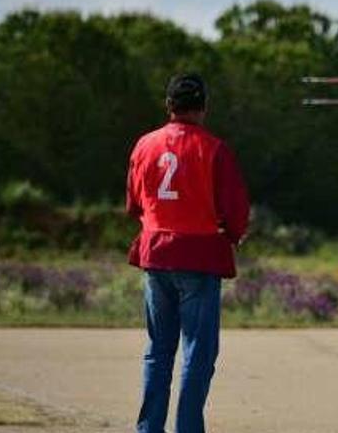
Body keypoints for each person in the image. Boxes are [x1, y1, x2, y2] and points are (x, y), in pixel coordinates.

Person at [126, 73, 250, 433]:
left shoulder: (144, 145)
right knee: (198, 353)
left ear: (169, 106)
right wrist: (235, 234)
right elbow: (235, 209)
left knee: (158, 350)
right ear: (204, 108)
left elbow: (134, 203)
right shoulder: (214, 149)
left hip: (156, 255)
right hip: (199, 258)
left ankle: (149, 428)